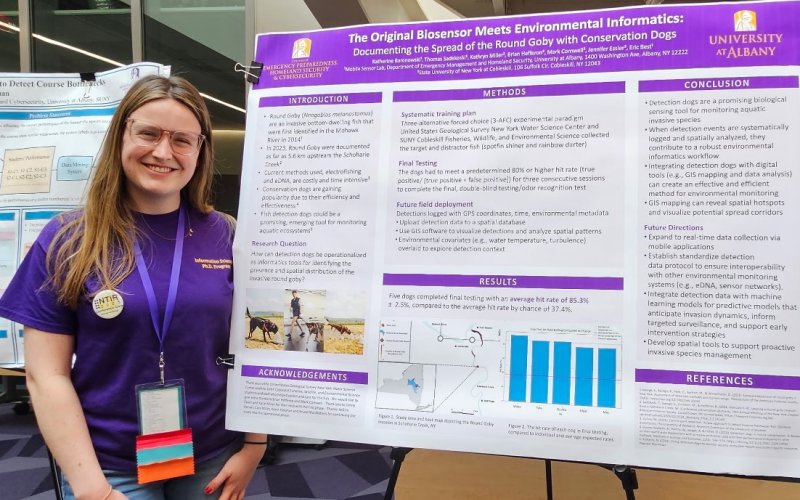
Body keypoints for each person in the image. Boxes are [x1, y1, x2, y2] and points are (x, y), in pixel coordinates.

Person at [0, 75, 266, 500]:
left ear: (201, 150)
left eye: (182, 140)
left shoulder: (228, 235)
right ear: (121, 134)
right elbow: (45, 375)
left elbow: (253, 351)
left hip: (212, 453)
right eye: (148, 133)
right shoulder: (68, 239)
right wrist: (92, 489)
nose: (163, 152)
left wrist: (255, 444)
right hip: (107, 464)